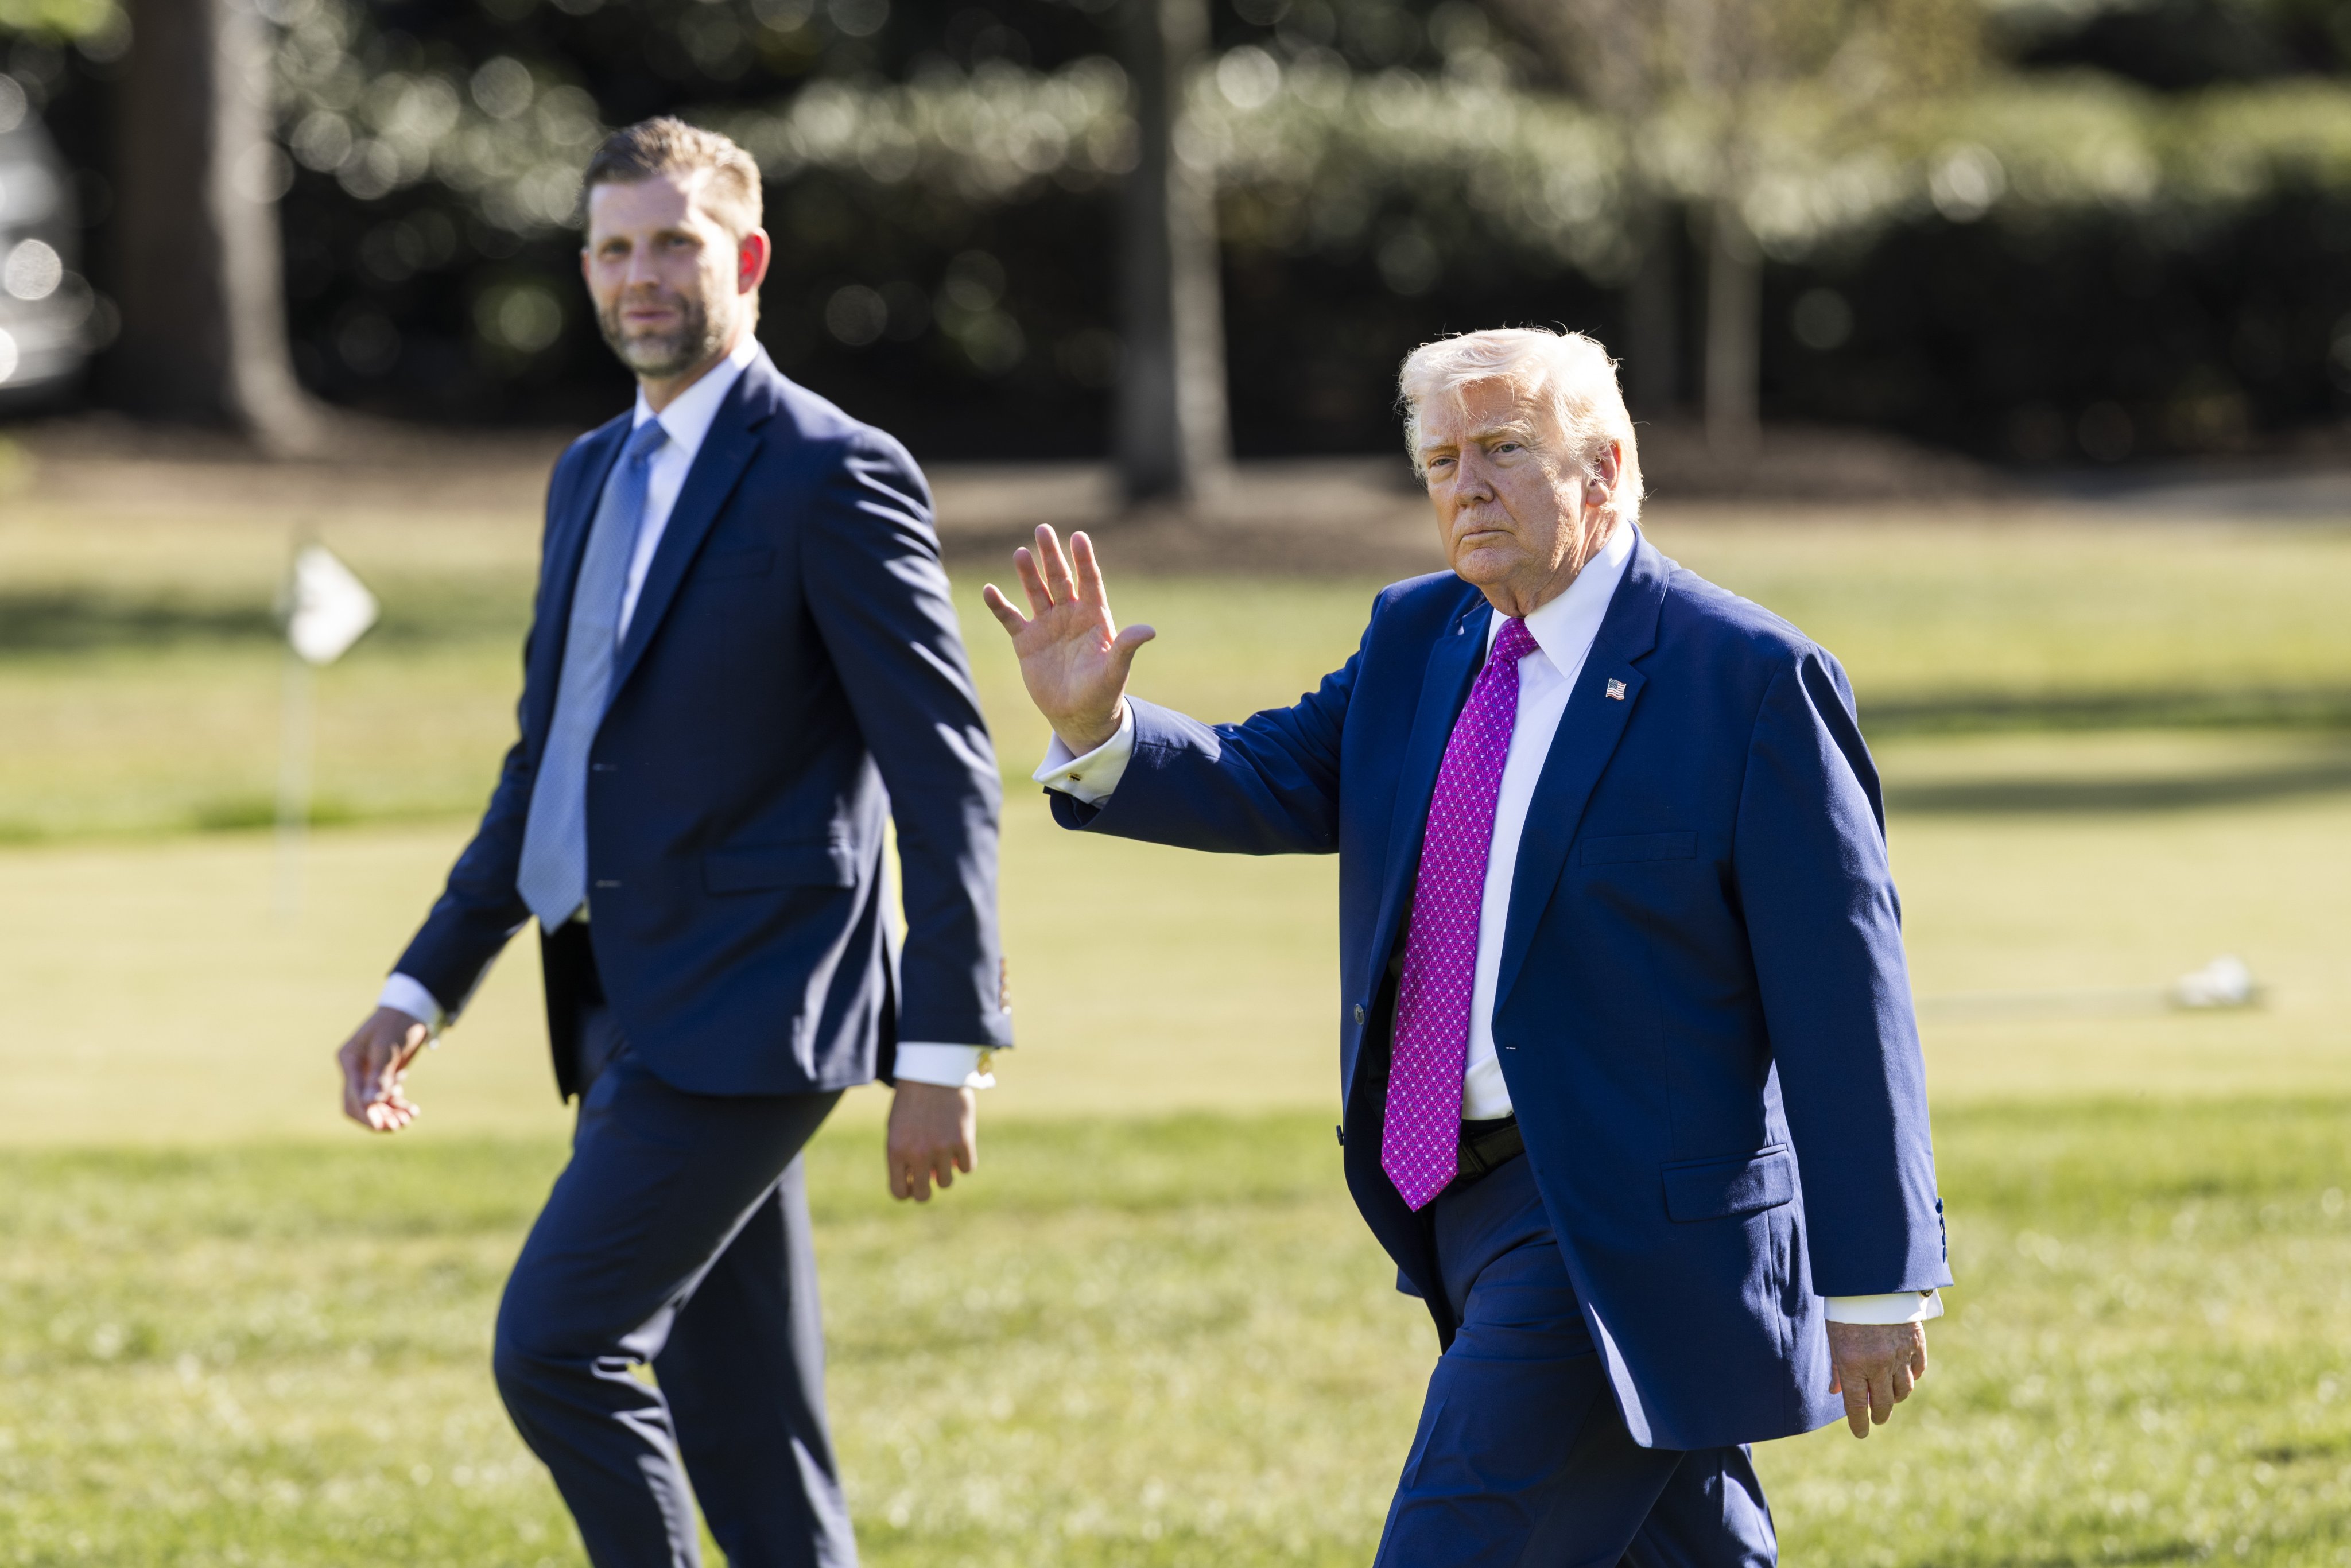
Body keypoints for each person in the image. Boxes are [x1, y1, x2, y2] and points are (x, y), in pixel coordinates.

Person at [983, 327, 1951, 1565]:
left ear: (1603, 471)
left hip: (1631, 1225)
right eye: (1440, 460)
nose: (1465, 487)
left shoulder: (1747, 679)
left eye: (1502, 450)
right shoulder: (1419, 637)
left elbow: (1843, 999)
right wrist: (1101, 724)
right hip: (1465, 1204)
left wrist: (1875, 1276)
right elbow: (1272, 776)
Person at [330, 118, 1013, 1568]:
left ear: (745, 260)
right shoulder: (586, 472)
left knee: (559, 1351)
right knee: (748, 1428)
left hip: (762, 1008)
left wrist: (942, 1048)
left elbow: (944, 767)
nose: (642, 275)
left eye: (675, 244)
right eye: (616, 247)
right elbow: (550, 764)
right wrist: (419, 985)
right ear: (586, 268)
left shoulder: (837, 470)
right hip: (615, 1000)